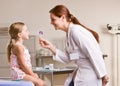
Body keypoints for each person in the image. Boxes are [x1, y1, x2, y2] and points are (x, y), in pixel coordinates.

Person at [39, 5, 109, 86]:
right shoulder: (69, 34)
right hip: (81, 73)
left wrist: (103, 74)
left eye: (53, 19)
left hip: (91, 75)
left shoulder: (76, 31)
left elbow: (94, 53)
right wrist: (51, 47)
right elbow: (68, 58)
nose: (51, 23)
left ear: (62, 17)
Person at [7, 22, 46, 86]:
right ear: (19, 34)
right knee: (40, 83)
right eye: (26, 30)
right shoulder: (18, 47)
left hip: (23, 73)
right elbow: (23, 65)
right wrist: (32, 74)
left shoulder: (21, 46)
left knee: (42, 83)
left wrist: (32, 74)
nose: (28, 32)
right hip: (18, 74)